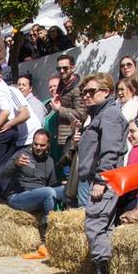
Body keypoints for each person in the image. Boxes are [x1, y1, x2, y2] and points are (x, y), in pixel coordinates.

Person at [75, 74, 126, 274]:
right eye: (84, 92)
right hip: (98, 178)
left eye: (91, 91)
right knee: (102, 226)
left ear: (106, 91)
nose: (86, 95)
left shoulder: (110, 114)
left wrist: (102, 180)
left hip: (105, 180)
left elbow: (110, 150)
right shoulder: (98, 115)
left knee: (95, 224)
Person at [0, 62, 31, 205]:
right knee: (6, 165)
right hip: (8, 131)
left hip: (2, 131)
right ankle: (6, 194)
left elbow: (6, 111)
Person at [4, 128, 65, 227]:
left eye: (42, 145)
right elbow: (3, 174)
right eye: (35, 144)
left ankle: (70, 223)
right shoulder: (22, 155)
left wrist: (61, 183)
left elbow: (52, 185)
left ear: (48, 145)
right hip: (19, 197)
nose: (38, 147)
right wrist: (15, 164)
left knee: (65, 190)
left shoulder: (50, 162)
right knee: (48, 192)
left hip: (39, 194)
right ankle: (50, 226)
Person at [53, 55, 87, 207]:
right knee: (67, 181)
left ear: (73, 67)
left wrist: (59, 109)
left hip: (72, 139)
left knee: (72, 181)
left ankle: (75, 211)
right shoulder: (63, 85)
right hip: (64, 137)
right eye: (59, 68)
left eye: (65, 68)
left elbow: (81, 114)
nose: (62, 71)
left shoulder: (77, 88)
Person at [15, 73, 47, 141]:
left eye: (24, 85)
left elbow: (39, 125)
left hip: (30, 141)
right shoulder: (16, 102)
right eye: (19, 85)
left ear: (30, 89)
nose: (20, 87)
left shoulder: (36, 104)